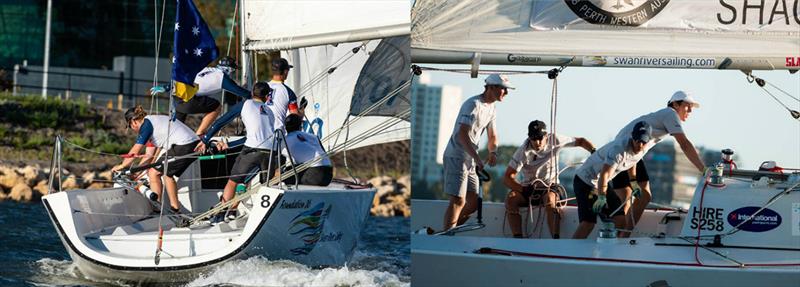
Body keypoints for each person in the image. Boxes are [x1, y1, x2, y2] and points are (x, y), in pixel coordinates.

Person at [611, 91, 705, 237]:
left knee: (636, 197)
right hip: (624, 153)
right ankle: (621, 237)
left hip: (629, 154)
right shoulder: (670, 114)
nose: (690, 111)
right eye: (687, 106)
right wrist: (702, 169)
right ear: (675, 104)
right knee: (634, 198)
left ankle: (621, 237)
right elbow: (684, 144)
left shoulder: (665, 115)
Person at [441, 73, 513, 231]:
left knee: (473, 203)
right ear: (492, 87)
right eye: (504, 89)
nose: (506, 93)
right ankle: (446, 234)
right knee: (458, 200)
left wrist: (493, 151)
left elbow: (493, 136)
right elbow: (462, 134)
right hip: (457, 156)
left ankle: (448, 231)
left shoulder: (492, 108)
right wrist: (478, 159)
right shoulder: (473, 104)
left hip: (471, 160)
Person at [503, 120, 596, 239]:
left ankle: (555, 240)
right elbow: (507, 178)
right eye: (533, 138)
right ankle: (518, 239)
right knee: (511, 199)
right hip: (530, 188)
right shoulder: (523, 151)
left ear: (546, 136)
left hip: (551, 186)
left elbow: (581, 141)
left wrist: (594, 152)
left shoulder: (555, 140)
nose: (537, 142)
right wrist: (523, 189)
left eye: (540, 138)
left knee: (549, 199)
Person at [112, 105, 201, 221]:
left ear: (133, 122)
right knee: (153, 172)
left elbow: (134, 151)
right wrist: (137, 172)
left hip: (186, 144)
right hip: (187, 143)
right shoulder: (152, 123)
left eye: (130, 126)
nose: (132, 129)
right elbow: (149, 156)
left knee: (165, 175)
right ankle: (158, 208)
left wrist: (122, 166)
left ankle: (174, 210)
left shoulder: (146, 126)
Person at [571, 121, 652, 239]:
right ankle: (572, 252)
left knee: (620, 221)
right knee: (588, 223)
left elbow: (632, 161)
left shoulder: (643, 149)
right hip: (585, 181)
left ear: (648, 141)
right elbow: (604, 175)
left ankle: (611, 251)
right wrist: (602, 197)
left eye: (643, 142)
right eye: (637, 140)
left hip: (600, 182)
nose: (639, 145)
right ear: (632, 136)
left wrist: (633, 182)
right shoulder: (618, 150)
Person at [213, 82, 279, 219]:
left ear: (252, 93)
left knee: (233, 181)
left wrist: (206, 139)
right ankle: (233, 212)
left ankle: (221, 213)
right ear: (267, 96)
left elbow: (222, 121)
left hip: (252, 150)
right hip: (270, 151)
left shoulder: (246, 104)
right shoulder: (270, 111)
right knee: (250, 180)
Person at [150, 56, 251, 136]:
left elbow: (184, 80)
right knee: (217, 106)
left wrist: (166, 87)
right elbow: (243, 93)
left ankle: (162, 149)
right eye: (234, 70)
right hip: (189, 101)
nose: (233, 73)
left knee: (174, 129)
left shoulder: (207, 69)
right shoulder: (222, 78)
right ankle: (200, 133)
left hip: (178, 99)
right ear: (229, 69)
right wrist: (257, 96)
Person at [282, 113, 333, 186]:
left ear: (285, 127)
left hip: (314, 175)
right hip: (328, 175)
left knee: (284, 174)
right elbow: (324, 153)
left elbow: (279, 161)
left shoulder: (284, 140)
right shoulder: (314, 136)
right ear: (300, 126)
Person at [267, 57, 300, 132]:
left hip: (262, 134)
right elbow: (295, 116)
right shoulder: (288, 91)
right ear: (285, 72)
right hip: (278, 133)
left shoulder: (263, 87)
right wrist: (302, 111)